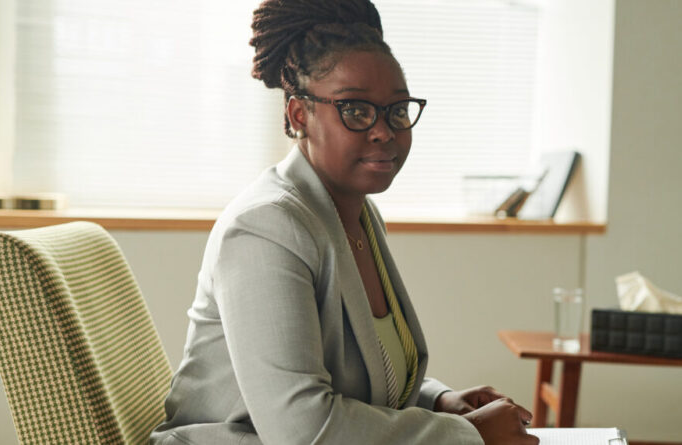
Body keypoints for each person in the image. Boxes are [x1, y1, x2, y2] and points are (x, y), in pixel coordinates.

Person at [151, 1, 539, 444]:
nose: (384, 131)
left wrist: (437, 402)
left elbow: (354, 377)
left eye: (397, 110)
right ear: (300, 115)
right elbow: (302, 427)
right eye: (355, 109)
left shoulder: (356, 213)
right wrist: (466, 435)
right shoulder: (265, 228)